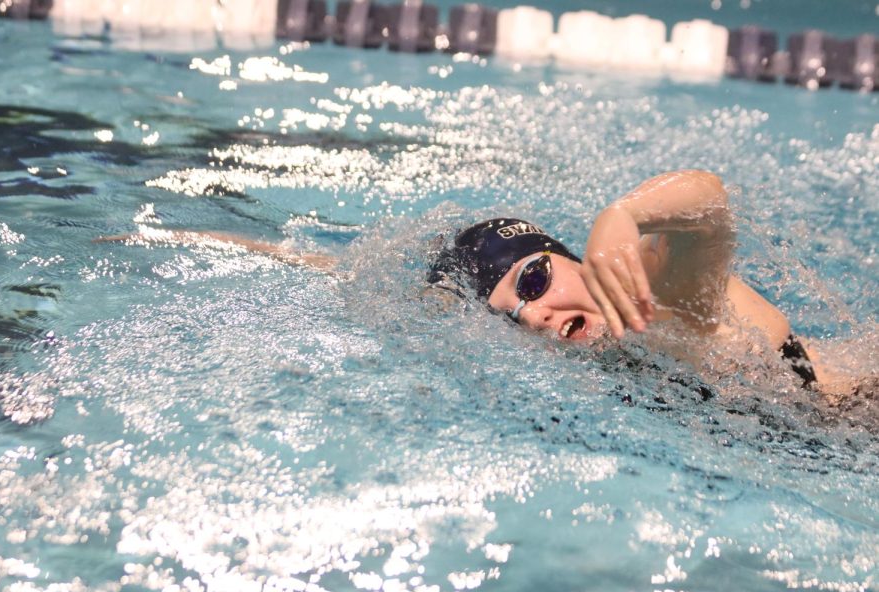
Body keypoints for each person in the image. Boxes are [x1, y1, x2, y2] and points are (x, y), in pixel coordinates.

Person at [97, 170, 868, 399]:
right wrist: (187, 239)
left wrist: (621, 216)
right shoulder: (601, 345)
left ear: (569, 256)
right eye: (513, 314)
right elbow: (352, 273)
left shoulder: (658, 294)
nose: (534, 314)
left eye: (535, 279)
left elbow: (709, 204)